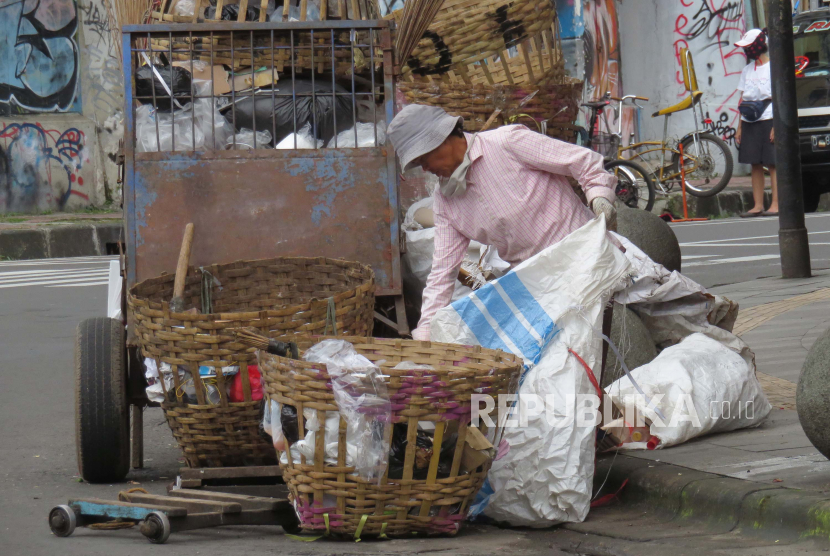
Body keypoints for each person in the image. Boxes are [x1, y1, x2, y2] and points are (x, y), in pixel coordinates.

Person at [387, 104, 620, 341]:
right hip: (540, 284)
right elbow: (442, 273)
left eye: (424, 158)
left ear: (443, 138)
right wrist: (426, 330)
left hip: (588, 256)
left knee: (607, 341)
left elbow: (581, 160)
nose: (426, 168)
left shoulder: (507, 142)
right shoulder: (445, 201)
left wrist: (599, 196)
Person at [735, 28, 778, 218]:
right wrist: (739, 126)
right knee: (755, 163)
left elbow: (779, 98)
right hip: (749, 119)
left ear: (758, 46)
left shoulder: (773, 68)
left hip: (769, 117)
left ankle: (776, 204)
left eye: (749, 47)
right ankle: (758, 204)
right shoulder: (746, 70)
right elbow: (742, 98)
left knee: (772, 162)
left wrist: (778, 125)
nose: (747, 51)